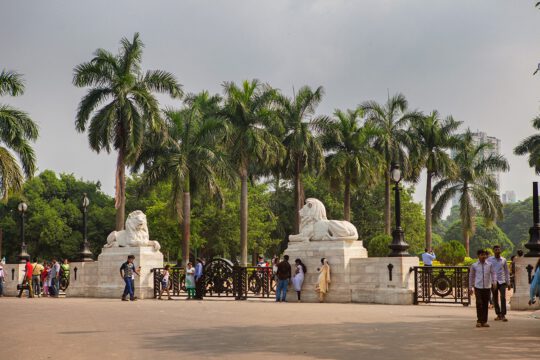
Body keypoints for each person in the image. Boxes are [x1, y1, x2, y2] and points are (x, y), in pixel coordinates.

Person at [469, 249, 497, 328]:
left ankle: (484, 321)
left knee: (485, 304)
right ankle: (479, 320)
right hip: (478, 287)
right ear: (478, 256)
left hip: (487, 287)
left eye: (485, 255)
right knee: (479, 303)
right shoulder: (474, 265)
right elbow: (471, 276)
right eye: (481, 255)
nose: (483, 256)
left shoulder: (489, 265)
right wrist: (470, 287)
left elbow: (493, 273)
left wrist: (494, 282)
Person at [487, 245, 510, 322]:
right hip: (494, 282)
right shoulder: (489, 260)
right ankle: (498, 314)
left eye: (498, 249)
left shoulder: (503, 260)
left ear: (500, 250)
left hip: (502, 281)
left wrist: (508, 282)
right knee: (495, 298)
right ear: (493, 251)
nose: (497, 250)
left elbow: (506, 271)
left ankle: (503, 314)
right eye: (496, 249)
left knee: (503, 297)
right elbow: (487, 270)